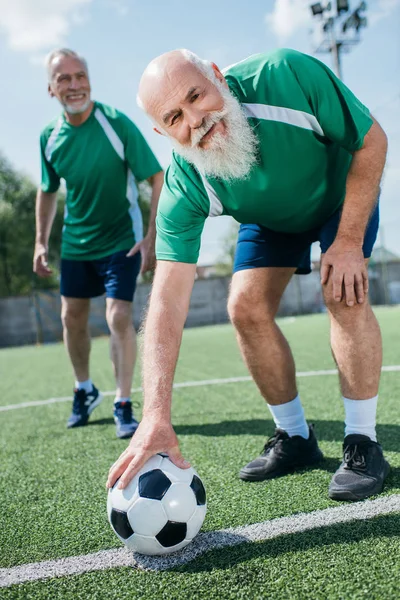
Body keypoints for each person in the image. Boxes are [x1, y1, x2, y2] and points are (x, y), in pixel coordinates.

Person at [107, 48, 389, 500]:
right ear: (163, 132)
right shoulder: (185, 182)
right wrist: (154, 415)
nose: (195, 119)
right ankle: (295, 437)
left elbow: (372, 140)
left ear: (217, 75)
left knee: (342, 290)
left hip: (342, 196)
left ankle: (362, 442)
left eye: (197, 95)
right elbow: (166, 297)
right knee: (245, 308)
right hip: (272, 219)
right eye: (175, 117)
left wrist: (349, 242)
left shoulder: (287, 76)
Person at [33, 48, 164, 439]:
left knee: (118, 317)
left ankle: (123, 402)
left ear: (89, 80)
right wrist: (40, 242)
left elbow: (156, 177)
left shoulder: (116, 124)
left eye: (79, 76)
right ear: (51, 89)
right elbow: (47, 190)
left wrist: (152, 236)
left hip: (121, 240)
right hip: (76, 243)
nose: (74, 85)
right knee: (70, 318)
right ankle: (84, 388)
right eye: (64, 79)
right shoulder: (50, 137)